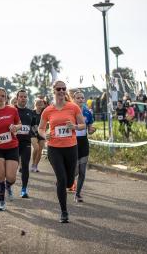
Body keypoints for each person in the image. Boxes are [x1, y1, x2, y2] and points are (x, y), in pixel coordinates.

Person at [38, 80, 85, 223]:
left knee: (69, 181)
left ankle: (62, 184)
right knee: (62, 178)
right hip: (54, 148)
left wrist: (74, 127)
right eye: (58, 88)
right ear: (54, 90)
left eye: (64, 88)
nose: (61, 91)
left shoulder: (73, 107)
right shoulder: (48, 110)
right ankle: (64, 212)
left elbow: (82, 125)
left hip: (71, 147)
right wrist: (44, 134)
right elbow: (40, 128)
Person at [72, 91, 96, 202]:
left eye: (82, 98)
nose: (81, 100)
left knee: (82, 171)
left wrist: (92, 130)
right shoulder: (69, 111)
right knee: (75, 170)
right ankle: (65, 180)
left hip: (83, 142)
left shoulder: (87, 112)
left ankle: (78, 194)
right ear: (74, 99)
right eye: (78, 98)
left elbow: (90, 130)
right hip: (72, 142)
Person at [15, 89, 36, 198]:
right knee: (12, 166)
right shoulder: (12, 110)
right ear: (17, 98)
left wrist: (39, 134)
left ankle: (24, 189)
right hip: (13, 143)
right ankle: (8, 184)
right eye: (21, 96)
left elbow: (33, 126)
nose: (23, 98)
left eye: (25, 97)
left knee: (25, 165)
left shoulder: (30, 112)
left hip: (26, 143)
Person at [31, 98, 46, 173]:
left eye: (41, 104)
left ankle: (35, 166)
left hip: (42, 133)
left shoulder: (44, 113)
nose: (40, 106)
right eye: (38, 104)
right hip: (33, 133)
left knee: (40, 150)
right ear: (35, 105)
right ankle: (33, 163)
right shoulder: (31, 112)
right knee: (36, 148)